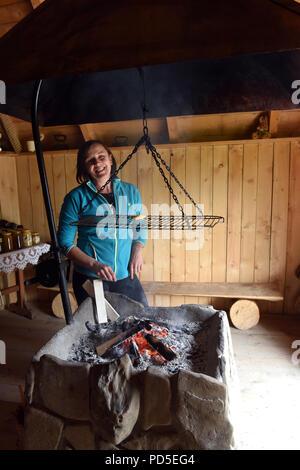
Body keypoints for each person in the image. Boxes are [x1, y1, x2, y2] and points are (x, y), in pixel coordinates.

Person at [57, 140, 148, 307]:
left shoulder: (130, 191)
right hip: (90, 276)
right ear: (84, 167)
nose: (97, 163)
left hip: (125, 274)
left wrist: (137, 249)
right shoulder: (76, 197)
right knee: (98, 328)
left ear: (110, 159)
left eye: (101, 157)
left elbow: (140, 225)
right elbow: (65, 243)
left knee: (140, 319)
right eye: (90, 160)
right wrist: (94, 264)